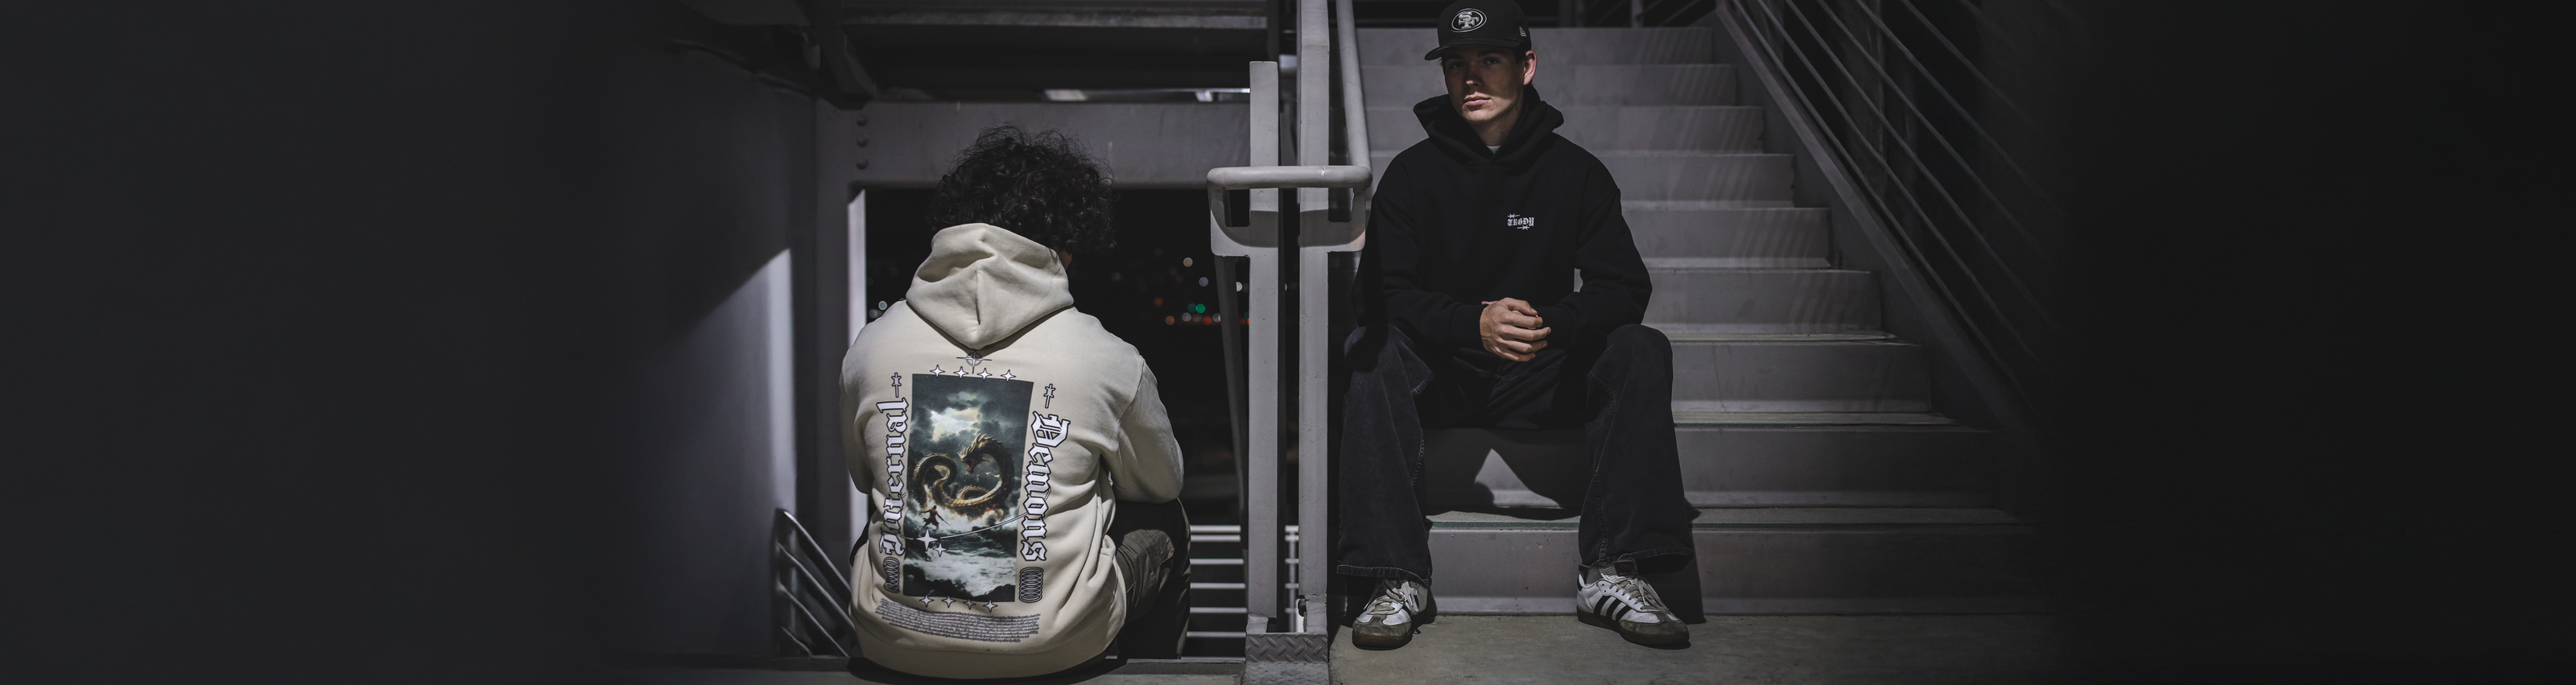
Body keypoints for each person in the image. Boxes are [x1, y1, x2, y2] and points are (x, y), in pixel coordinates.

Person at [1337, 0, 1695, 648]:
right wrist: (1471, 322)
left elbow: (1624, 288)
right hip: (1445, 373)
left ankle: (1617, 568)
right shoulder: (1413, 176)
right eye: (1456, 64)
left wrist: (1549, 325)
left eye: (1490, 60)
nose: (1470, 79)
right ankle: (1393, 575)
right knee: (1371, 347)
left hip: (1542, 372)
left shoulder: (1576, 174)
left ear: (1526, 67)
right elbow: (1381, 295)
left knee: (1641, 347)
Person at [840, 126, 1191, 679]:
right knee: (1165, 519)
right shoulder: (1107, 356)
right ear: (1064, 243)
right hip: (1055, 648)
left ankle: (913, 632)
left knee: (883, 518)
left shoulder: (871, 345)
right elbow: (1163, 483)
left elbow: (864, 475)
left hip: (891, 645)